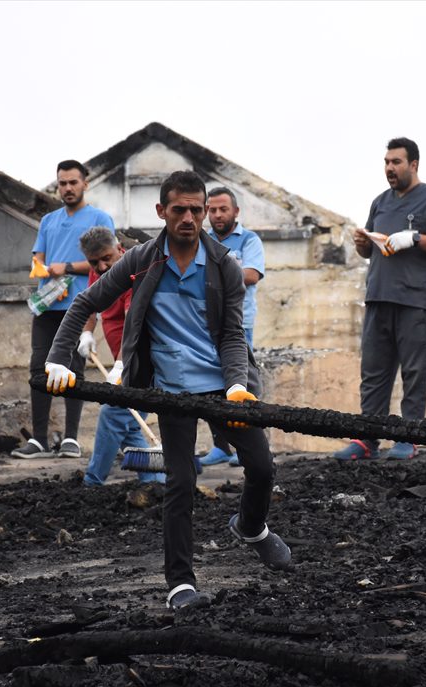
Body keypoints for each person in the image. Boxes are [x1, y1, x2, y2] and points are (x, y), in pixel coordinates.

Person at [43, 170, 291, 611]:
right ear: (162, 211)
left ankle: (251, 528)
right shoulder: (141, 259)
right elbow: (86, 301)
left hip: (224, 387)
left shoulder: (224, 266)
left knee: (262, 466)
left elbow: (233, 335)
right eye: (180, 209)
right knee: (180, 481)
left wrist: (237, 383)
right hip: (171, 391)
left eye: (197, 209)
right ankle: (180, 584)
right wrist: (59, 357)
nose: (190, 218)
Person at [333, 137, 426, 461]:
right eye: (387, 162)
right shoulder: (380, 202)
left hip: (414, 300)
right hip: (378, 297)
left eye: (396, 162)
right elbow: (368, 253)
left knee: (414, 372)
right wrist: (362, 242)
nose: (390, 168)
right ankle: (367, 439)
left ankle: (408, 437)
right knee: (373, 372)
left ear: (413, 165)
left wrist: (415, 238)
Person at [14, 160, 114, 460]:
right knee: (39, 367)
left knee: (74, 369)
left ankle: (71, 437)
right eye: (62, 183)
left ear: (85, 183)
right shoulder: (49, 221)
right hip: (48, 302)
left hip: (80, 302)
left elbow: (107, 259)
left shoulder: (100, 217)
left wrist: (66, 267)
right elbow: (39, 256)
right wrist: (40, 267)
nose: (68, 188)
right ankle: (40, 439)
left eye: (73, 182)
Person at [74, 226, 163, 486]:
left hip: (145, 361)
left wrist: (124, 364)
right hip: (125, 360)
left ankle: (93, 482)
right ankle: (154, 481)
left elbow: (133, 324)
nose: (101, 267)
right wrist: (87, 333)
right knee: (131, 427)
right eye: (94, 262)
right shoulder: (97, 271)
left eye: (106, 259)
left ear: (117, 248)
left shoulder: (132, 272)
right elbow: (91, 304)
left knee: (112, 416)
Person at [202, 186, 265, 467]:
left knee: (243, 381)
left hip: (240, 324)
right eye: (212, 210)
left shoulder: (249, 240)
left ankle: (248, 444)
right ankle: (221, 446)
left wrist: (216, 274)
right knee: (211, 384)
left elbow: (251, 274)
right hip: (207, 324)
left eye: (222, 209)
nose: (216, 215)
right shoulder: (201, 241)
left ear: (235, 212)